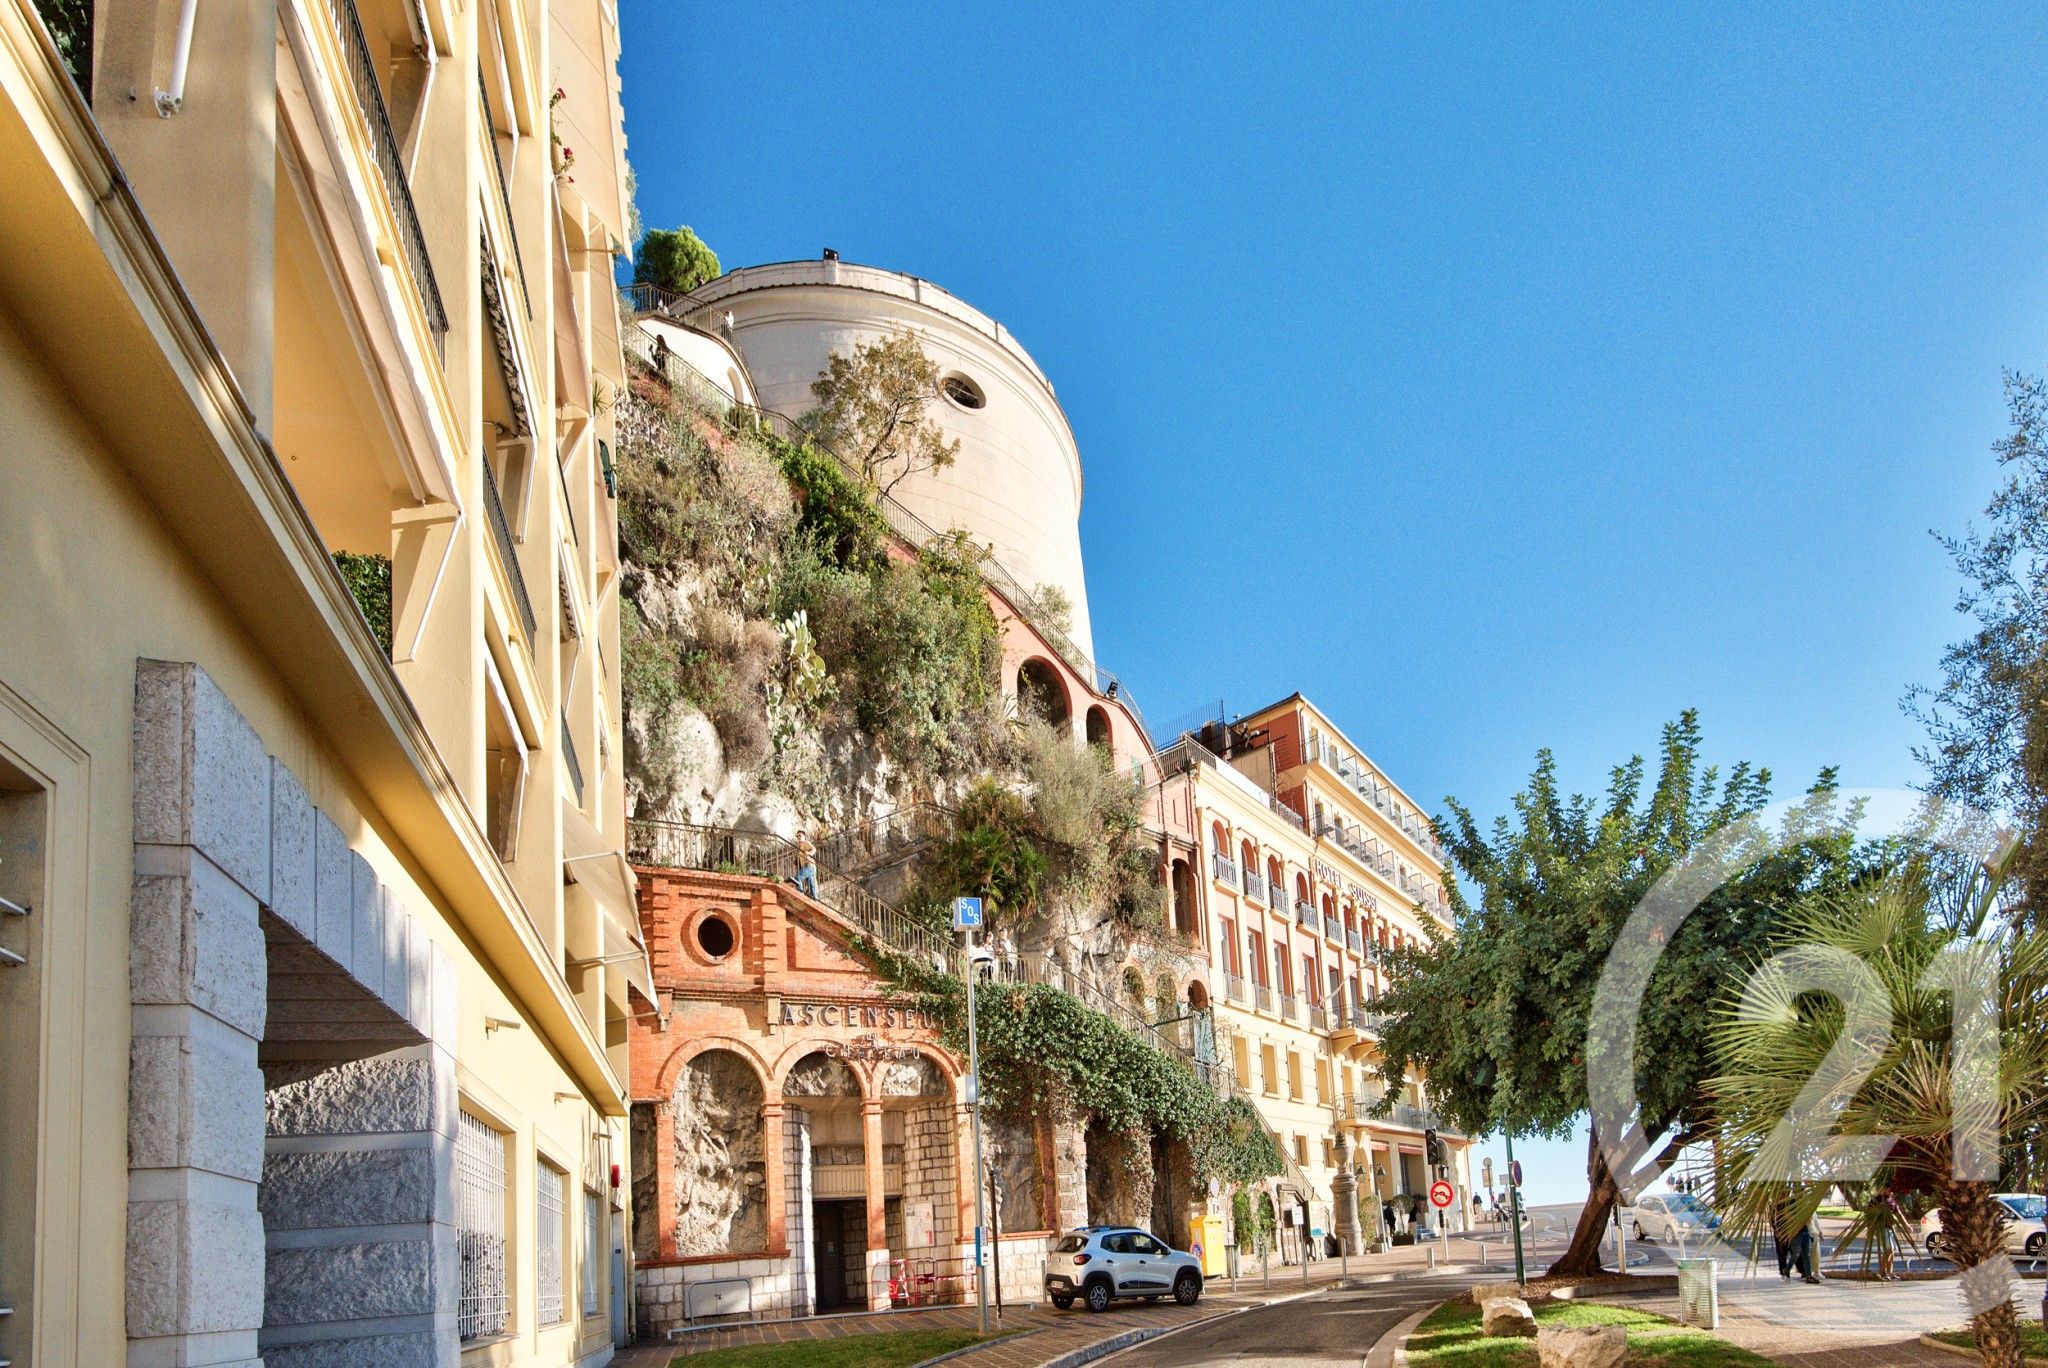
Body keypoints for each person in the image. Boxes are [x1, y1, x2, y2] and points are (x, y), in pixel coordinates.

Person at [794, 829, 818, 897]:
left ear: (804, 836)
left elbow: (814, 849)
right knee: (812, 887)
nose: (798, 837)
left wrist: (810, 853)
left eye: (800, 835)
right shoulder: (801, 847)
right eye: (797, 836)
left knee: (798, 877)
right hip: (809, 866)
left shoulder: (806, 842)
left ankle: (800, 893)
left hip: (809, 865)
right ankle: (815, 900)